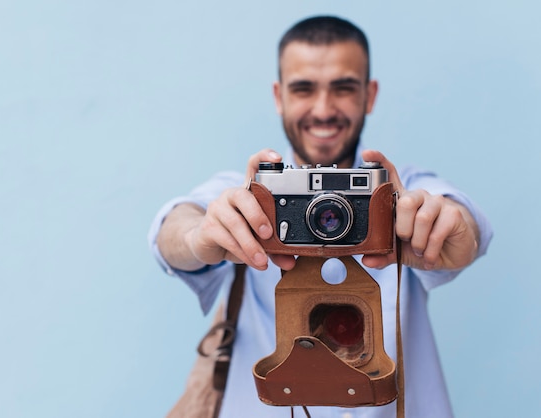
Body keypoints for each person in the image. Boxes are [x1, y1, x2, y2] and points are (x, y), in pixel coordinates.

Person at [148, 15, 492, 418]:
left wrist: (446, 228)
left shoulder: (399, 188)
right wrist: (198, 236)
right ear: (279, 97)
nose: (324, 110)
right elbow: (172, 228)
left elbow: (462, 218)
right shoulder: (250, 193)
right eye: (304, 89)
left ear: (369, 95)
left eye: (343, 88)